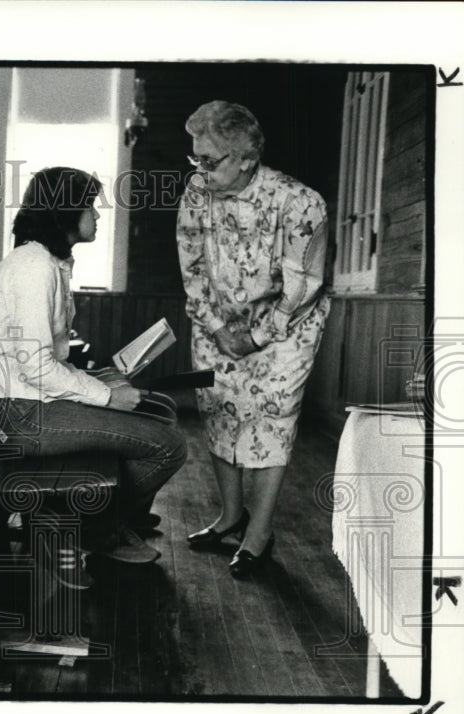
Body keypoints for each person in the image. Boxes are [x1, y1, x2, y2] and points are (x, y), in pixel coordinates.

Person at [0, 167, 187, 571]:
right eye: (90, 205)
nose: (97, 215)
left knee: (158, 408)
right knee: (170, 446)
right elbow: (35, 366)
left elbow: (42, 360)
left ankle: (103, 522)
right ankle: (92, 530)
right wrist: (106, 395)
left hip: (30, 400)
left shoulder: (48, 262)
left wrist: (97, 380)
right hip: (21, 413)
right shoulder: (32, 267)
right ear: (65, 210)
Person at [176, 101, 330, 579]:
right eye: (195, 157)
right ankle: (229, 517)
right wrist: (219, 328)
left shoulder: (301, 202)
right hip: (218, 325)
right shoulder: (197, 191)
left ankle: (258, 534)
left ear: (246, 157)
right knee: (219, 410)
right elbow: (192, 267)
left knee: (269, 420)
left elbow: (303, 286)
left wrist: (256, 335)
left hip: (287, 329)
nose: (201, 169)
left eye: (211, 160)